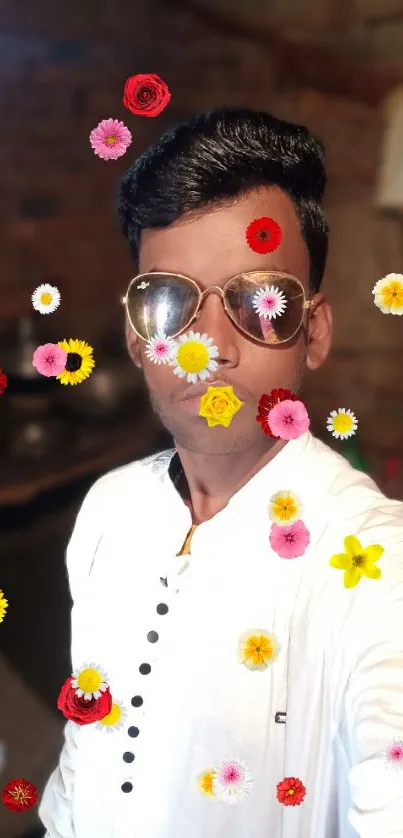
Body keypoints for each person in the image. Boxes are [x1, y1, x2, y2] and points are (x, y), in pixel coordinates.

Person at [39, 107, 403, 838]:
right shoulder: (109, 511)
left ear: (315, 333)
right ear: (138, 339)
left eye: (258, 303)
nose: (208, 347)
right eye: (167, 302)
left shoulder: (371, 561)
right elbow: (86, 757)